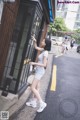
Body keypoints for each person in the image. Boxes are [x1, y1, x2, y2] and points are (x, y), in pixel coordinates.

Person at [26, 36, 51, 113]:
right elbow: (36, 47)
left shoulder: (45, 53)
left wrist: (34, 63)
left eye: (43, 41)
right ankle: (34, 102)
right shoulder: (44, 50)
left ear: (46, 43)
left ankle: (41, 103)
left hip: (40, 71)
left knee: (32, 87)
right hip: (38, 71)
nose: (42, 42)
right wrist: (34, 41)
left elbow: (44, 64)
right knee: (37, 87)